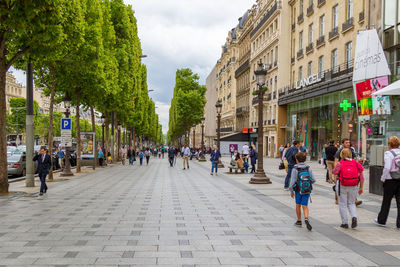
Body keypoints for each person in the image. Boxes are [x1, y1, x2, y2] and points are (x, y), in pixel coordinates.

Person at [333, 148, 364, 229]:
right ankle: (354, 217)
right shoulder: (356, 163)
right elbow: (361, 176)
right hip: (353, 185)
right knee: (351, 203)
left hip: (342, 185)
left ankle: (345, 222)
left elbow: (334, 172)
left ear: (342, 155)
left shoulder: (340, 163)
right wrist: (361, 187)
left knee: (342, 204)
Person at [375, 136, 400, 229]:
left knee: (386, 200)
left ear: (389, 144)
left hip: (390, 179)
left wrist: (383, 178)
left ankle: (382, 220)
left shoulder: (388, 153)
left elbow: (387, 167)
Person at [289, 152, 315, 231]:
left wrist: (291, 190)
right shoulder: (308, 168)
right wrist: (308, 183)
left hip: (298, 190)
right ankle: (306, 218)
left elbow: (292, 181)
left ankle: (299, 221)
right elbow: (313, 179)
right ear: (305, 159)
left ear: (296, 160)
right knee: (305, 205)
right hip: (306, 190)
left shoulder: (295, 169)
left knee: (298, 205)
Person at [334, 138, 361, 206]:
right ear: (342, 144)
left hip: (350, 171)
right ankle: (337, 198)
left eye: (349, 142)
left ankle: (354, 199)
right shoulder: (339, 152)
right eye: (346, 142)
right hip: (341, 172)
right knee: (338, 185)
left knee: (352, 185)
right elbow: (336, 162)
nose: (348, 144)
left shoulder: (351, 151)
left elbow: (354, 160)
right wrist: (336, 173)